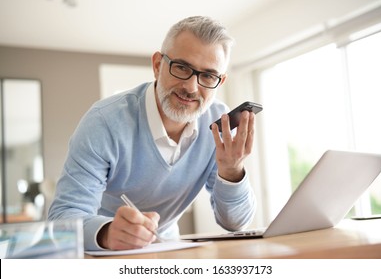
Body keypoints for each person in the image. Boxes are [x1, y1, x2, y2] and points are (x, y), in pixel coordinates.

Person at [48, 16, 257, 251]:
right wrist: (106, 234)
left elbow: (236, 223)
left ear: (220, 82)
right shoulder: (103, 121)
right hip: (102, 250)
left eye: (208, 76)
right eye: (181, 67)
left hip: (166, 248)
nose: (191, 87)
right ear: (157, 65)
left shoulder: (218, 124)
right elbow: (62, 220)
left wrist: (231, 172)